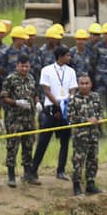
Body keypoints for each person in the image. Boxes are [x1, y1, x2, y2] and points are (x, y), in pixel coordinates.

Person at [32, 45, 76, 182]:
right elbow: (46, 90)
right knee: (43, 140)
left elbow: (73, 89)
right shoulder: (47, 70)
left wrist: (69, 101)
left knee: (65, 141)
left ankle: (61, 170)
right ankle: (33, 170)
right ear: (60, 56)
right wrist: (58, 105)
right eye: (67, 55)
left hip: (66, 109)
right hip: (51, 109)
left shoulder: (71, 71)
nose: (69, 57)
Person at [0, 55, 36, 188]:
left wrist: (37, 102)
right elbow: (4, 97)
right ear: (17, 66)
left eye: (27, 66)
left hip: (29, 119)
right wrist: (16, 103)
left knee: (28, 146)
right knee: (12, 147)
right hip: (14, 119)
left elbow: (35, 93)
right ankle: (11, 176)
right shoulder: (10, 79)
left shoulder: (31, 78)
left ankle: (27, 174)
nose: (25, 69)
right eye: (22, 66)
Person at [68, 74, 102, 195]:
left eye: (86, 83)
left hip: (93, 134)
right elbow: (70, 117)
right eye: (81, 83)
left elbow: (100, 112)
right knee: (78, 160)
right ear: (78, 85)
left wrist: (98, 118)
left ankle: (91, 184)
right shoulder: (73, 99)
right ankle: (76, 185)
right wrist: (85, 120)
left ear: (91, 84)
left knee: (93, 159)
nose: (84, 86)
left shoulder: (96, 97)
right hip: (80, 136)